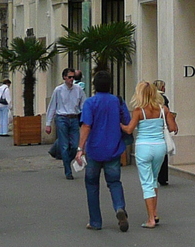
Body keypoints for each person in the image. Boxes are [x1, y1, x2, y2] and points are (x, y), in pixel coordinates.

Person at [79, 72, 133, 231]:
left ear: (94, 85)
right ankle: (119, 207)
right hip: (113, 148)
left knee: (91, 183)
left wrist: (80, 149)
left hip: (94, 149)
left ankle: (95, 221)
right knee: (114, 182)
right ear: (110, 85)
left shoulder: (90, 103)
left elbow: (86, 126)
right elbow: (127, 122)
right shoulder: (117, 101)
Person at [124, 80, 176, 229]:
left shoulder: (139, 111)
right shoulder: (163, 109)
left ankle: (150, 219)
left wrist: (120, 125)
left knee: (146, 183)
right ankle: (154, 213)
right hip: (160, 146)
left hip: (144, 147)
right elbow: (172, 128)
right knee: (153, 180)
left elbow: (129, 129)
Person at [48, 68, 86, 180]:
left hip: (74, 118)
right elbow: (52, 107)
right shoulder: (58, 90)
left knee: (75, 145)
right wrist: (48, 123)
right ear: (64, 78)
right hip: (62, 118)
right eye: (69, 77)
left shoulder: (78, 89)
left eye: (73, 77)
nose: (71, 79)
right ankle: (68, 171)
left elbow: (84, 104)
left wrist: (85, 119)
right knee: (64, 146)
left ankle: (66, 160)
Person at [154, 79, 171, 187]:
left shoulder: (150, 98)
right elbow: (167, 112)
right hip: (161, 127)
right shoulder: (163, 99)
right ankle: (162, 177)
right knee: (162, 154)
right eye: (163, 86)